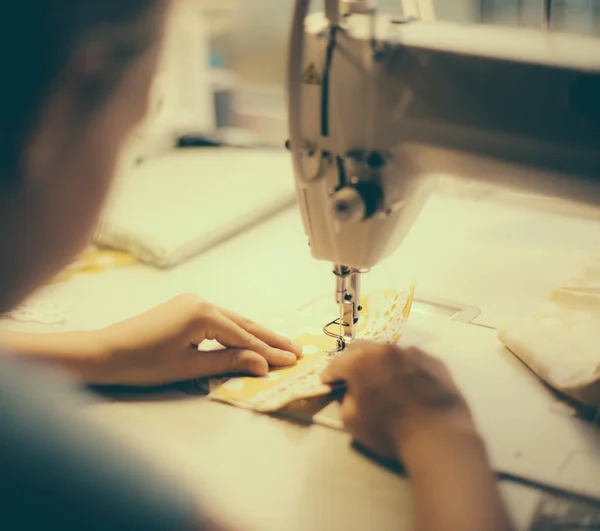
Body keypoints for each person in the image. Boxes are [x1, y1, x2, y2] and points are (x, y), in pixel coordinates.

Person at [0, 1, 513, 530]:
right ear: (60, 112)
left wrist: (93, 352)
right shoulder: (23, 441)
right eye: (132, 128)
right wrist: (443, 437)